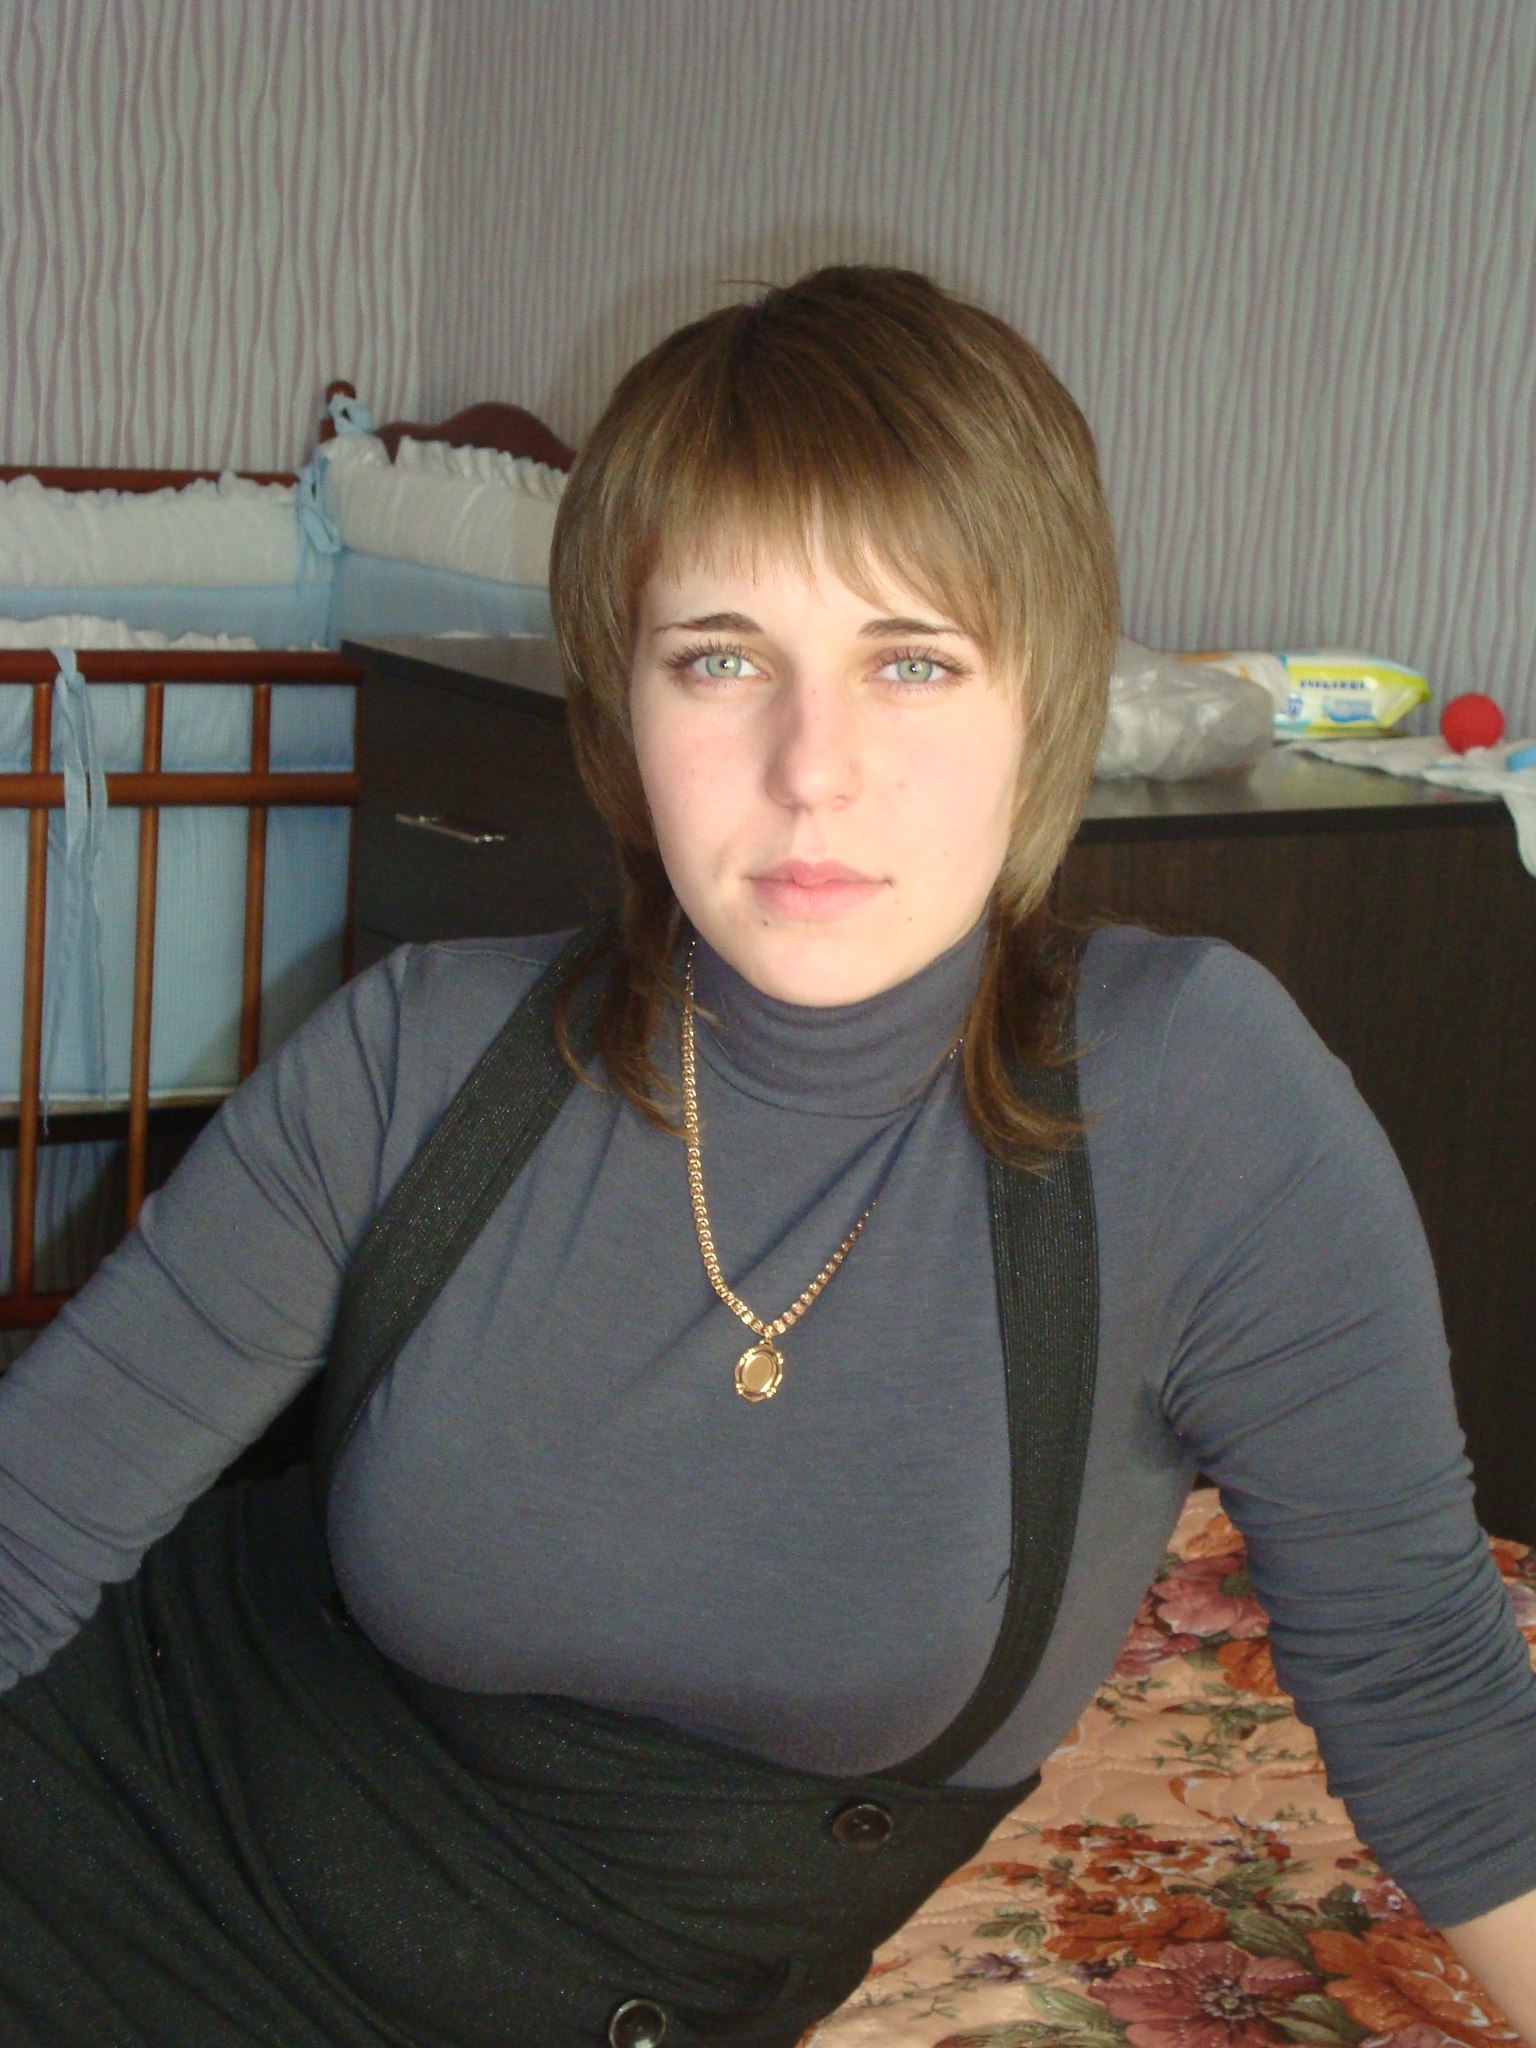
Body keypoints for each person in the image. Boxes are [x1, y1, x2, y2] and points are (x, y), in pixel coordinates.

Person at [0, 264, 1531, 2048]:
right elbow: (29, 1523)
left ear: (1041, 704)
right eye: (720, 659)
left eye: (912, 660)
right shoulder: (420, 1053)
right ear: (624, 704)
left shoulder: (1196, 1099)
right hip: (91, 1824)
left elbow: (1430, 1695)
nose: (815, 768)